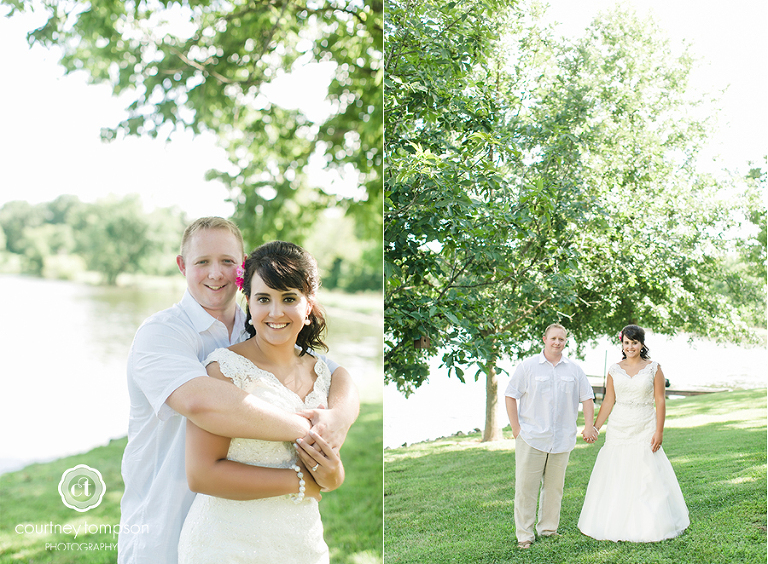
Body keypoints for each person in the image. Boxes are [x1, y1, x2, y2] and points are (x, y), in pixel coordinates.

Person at [118, 218, 359, 564]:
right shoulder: (161, 333)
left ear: (242, 267)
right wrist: (310, 432)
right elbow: (200, 402)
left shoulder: (260, 326)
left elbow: (336, 375)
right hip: (163, 523)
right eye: (202, 262)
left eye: (227, 261)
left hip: (267, 529)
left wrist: (339, 417)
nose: (215, 273)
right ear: (182, 266)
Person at [177, 240, 346, 562]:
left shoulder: (325, 375)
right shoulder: (224, 368)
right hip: (224, 545)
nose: (276, 312)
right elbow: (202, 474)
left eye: (289, 299)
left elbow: (330, 476)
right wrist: (299, 482)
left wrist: (333, 474)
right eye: (264, 298)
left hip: (301, 544)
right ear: (249, 305)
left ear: (308, 305)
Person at [578, 325, 689, 542]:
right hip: (619, 426)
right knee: (617, 470)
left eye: (634, 342)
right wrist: (596, 427)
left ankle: (650, 522)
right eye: (627, 342)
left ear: (642, 344)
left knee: (646, 472)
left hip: (645, 425)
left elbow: (660, 400)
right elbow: (609, 400)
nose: (630, 347)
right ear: (622, 344)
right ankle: (614, 521)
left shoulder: (654, 368)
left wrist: (659, 431)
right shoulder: (614, 369)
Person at [504, 323, 596, 549]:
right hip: (532, 438)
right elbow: (510, 395)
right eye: (553, 338)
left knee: (555, 488)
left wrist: (588, 426)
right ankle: (524, 535)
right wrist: (516, 429)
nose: (557, 342)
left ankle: (548, 529)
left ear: (566, 342)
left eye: (561, 339)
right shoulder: (528, 367)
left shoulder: (574, 370)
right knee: (526, 488)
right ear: (544, 339)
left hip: (562, 440)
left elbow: (587, 399)